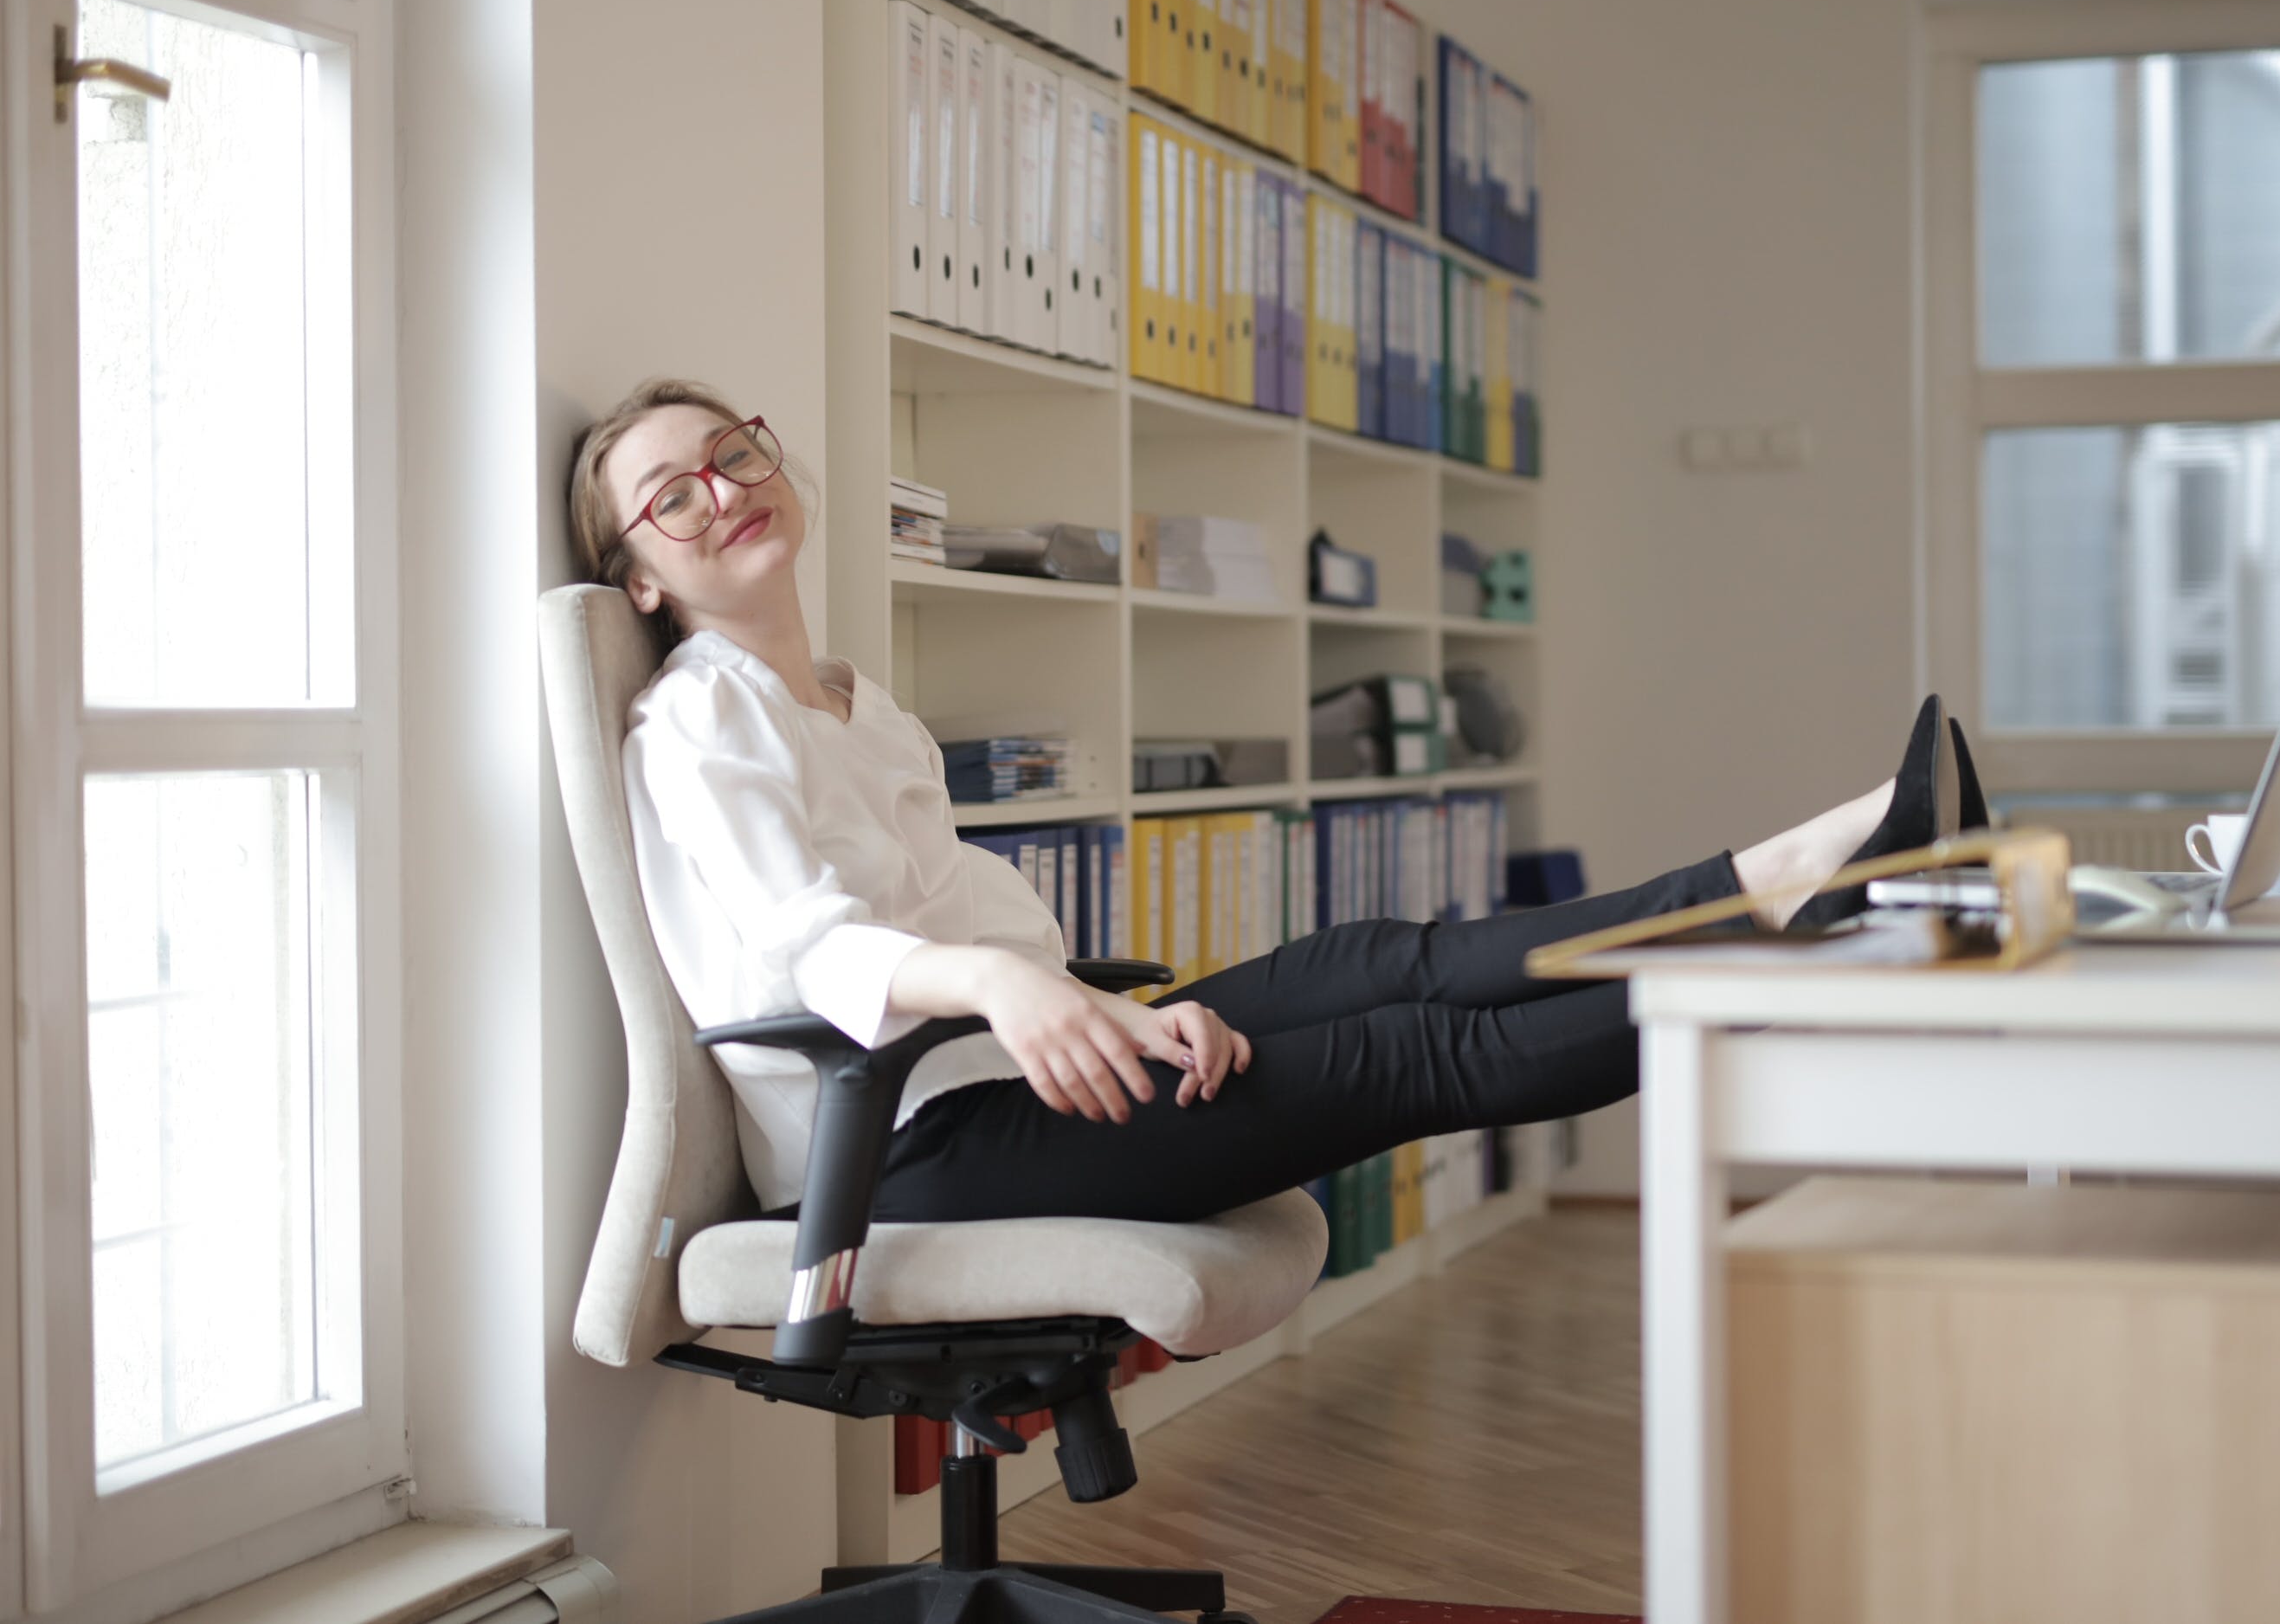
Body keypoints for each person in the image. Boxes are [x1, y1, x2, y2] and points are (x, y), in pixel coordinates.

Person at [570, 377, 1979, 1226]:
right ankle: (1812, 950)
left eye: (731, 456)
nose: (719, 494)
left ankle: (1794, 869)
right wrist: (1013, 988)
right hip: (901, 1146)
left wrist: (1104, 1011)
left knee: (1373, 962)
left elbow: (995, 966)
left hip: (1019, 1072)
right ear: (640, 576)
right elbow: (810, 946)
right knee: (1407, 1052)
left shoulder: (852, 699)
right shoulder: (696, 716)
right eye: (669, 500)